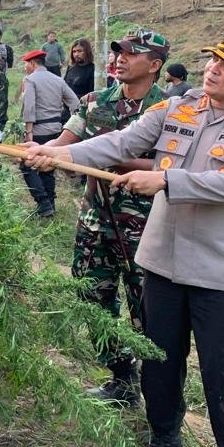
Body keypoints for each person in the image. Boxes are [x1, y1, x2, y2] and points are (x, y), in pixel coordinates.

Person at [24, 28, 224, 447]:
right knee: (158, 359)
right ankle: (165, 440)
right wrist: (58, 154)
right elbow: (119, 143)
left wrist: (166, 179)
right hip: (161, 264)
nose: (215, 69)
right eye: (214, 59)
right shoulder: (177, 108)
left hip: (221, 275)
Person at [46, 29, 169, 406]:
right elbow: (66, 144)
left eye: (130, 54)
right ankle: (121, 377)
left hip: (145, 230)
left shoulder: (169, 110)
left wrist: (106, 158)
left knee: (147, 311)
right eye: (117, 52)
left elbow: (169, 165)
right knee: (91, 298)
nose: (119, 58)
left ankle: (158, 393)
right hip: (95, 223)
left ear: (155, 65)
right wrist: (40, 150)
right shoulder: (95, 102)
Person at [19, 48, 79, 217]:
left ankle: (43, 203)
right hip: (56, 130)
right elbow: (74, 102)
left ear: (32, 63)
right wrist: (71, 124)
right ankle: (50, 204)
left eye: (25, 64)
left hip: (38, 130)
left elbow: (29, 107)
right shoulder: (58, 80)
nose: (25, 68)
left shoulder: (30, 80)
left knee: (28, 165)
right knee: (48, 167)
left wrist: (28, 132)